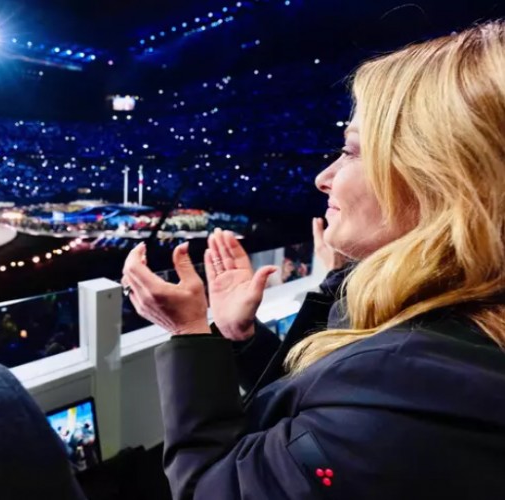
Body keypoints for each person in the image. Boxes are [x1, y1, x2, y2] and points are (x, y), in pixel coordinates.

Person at [122, 21, 505, 499]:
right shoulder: (446, 336)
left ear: (440, 180)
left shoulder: (412, 383)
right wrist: (241, 337)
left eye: (349, 151)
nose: (324, 177)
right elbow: (319, 406)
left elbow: (210, 488)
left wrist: (189, 336)